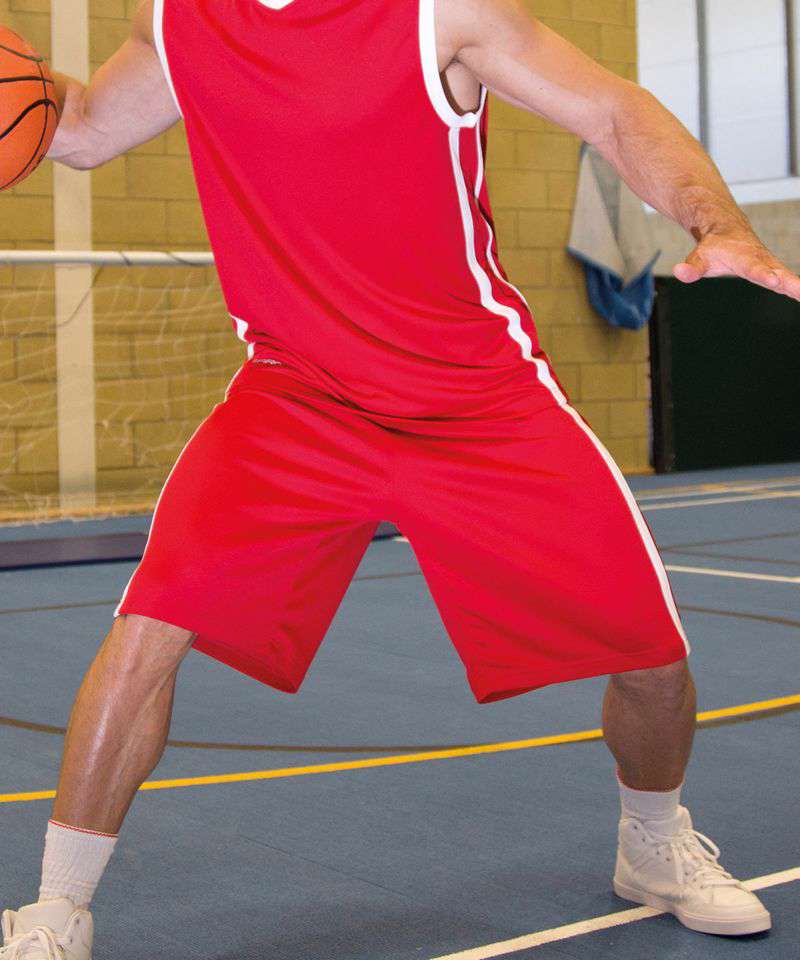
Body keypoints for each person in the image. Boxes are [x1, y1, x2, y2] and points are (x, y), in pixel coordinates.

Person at [3, 0, 798, 956]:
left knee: (651, 656)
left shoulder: (440, 13)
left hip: (479, 397)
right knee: (147, 631)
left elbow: (615, 112)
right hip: (295, 396)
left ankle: (655, 841)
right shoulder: (180, 18)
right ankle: (56, 907)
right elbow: (81, 128)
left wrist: (720, 221)